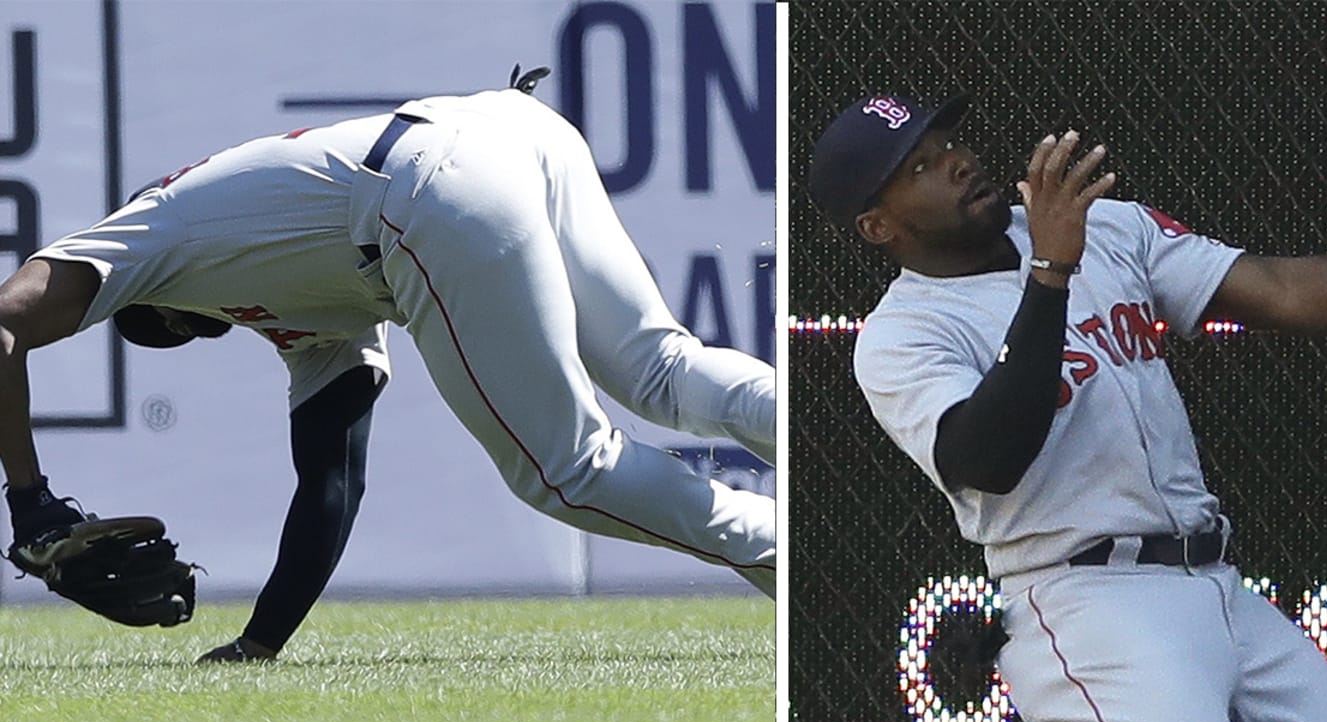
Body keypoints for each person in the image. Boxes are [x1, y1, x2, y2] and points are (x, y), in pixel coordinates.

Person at [0, 74, 777, 662]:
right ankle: (854, 426)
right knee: (663, 373)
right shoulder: (295, 309)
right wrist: (259, 645)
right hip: (508, 127)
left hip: (430, 189)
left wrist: (29, 503)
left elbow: (6, 323)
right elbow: (332, 484)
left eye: (175, 324)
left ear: (161, 305)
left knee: (568, 470)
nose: (205, 328)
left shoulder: (150, 228)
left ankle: (797, 548)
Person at [809, 93, 1327, 722]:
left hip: (1220, 585)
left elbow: (1278, 288)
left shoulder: (1107, 229)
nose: (955, 163)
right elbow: (987, 458)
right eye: (919, 167)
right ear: (877, 226)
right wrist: (1051, 271)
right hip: (1090, 606)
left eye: (948, 144)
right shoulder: (903, 335)